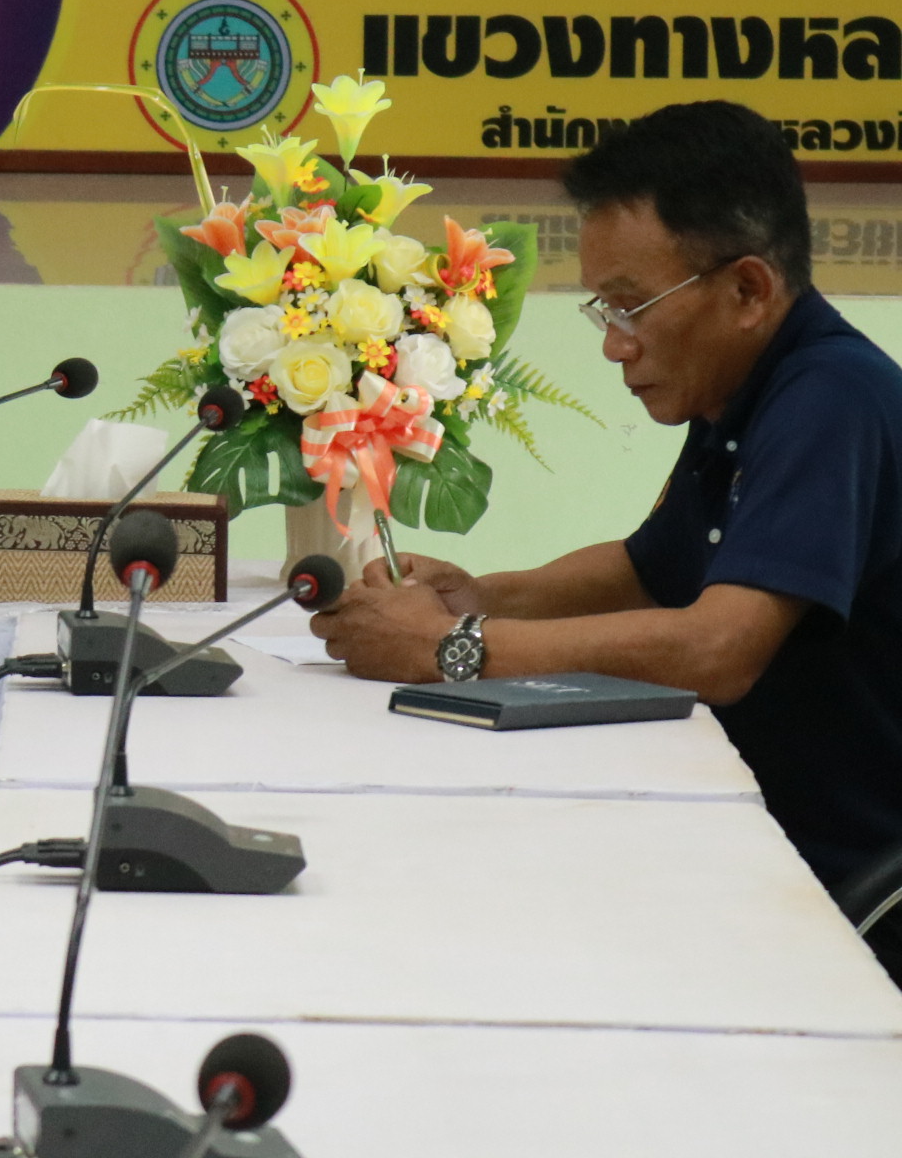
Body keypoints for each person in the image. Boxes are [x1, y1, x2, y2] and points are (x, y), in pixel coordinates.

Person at [309, 101, 902, 889]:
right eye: (604, 309)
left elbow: (719, 650)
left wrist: (451, 646)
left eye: (631, 306)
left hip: (839, 882)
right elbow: (646, 570)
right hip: (728, 825)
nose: (615, 345)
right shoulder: (741, 391)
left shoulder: (832, 399)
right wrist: (480, 596)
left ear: (748, 290)